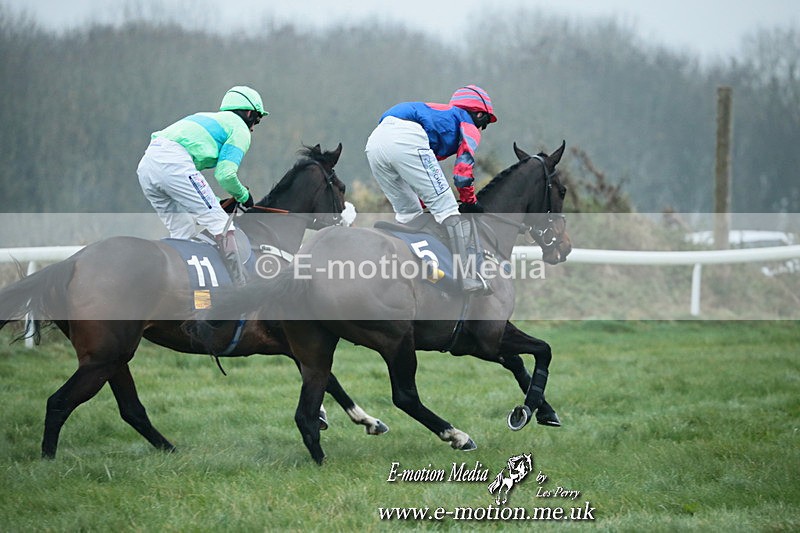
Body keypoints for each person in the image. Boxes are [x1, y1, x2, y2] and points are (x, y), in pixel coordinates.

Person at [365, 84, 497, 293]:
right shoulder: (467, 123)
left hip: (374, 142)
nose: (481, 129)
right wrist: (471, 202)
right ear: (479, 114)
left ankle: (411, 268)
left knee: (409, 214)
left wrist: (430, 202)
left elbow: (421, 181)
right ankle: (468, 278)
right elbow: (462, 175)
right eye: (485, 123)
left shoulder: (441, 118)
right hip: (405, 137)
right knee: (449, 211)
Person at [137, 86, 267, 286]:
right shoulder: (239, 129)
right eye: (256, 120)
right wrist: (243, 196)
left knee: (184, 233)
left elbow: (188, 187)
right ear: (249, 114)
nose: (253, 128)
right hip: (174, 163)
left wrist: (216, 201)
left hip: (147, 165)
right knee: (223, 226)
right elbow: (225, 175)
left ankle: (184, 289)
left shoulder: (210, 118)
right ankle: (242, 291)